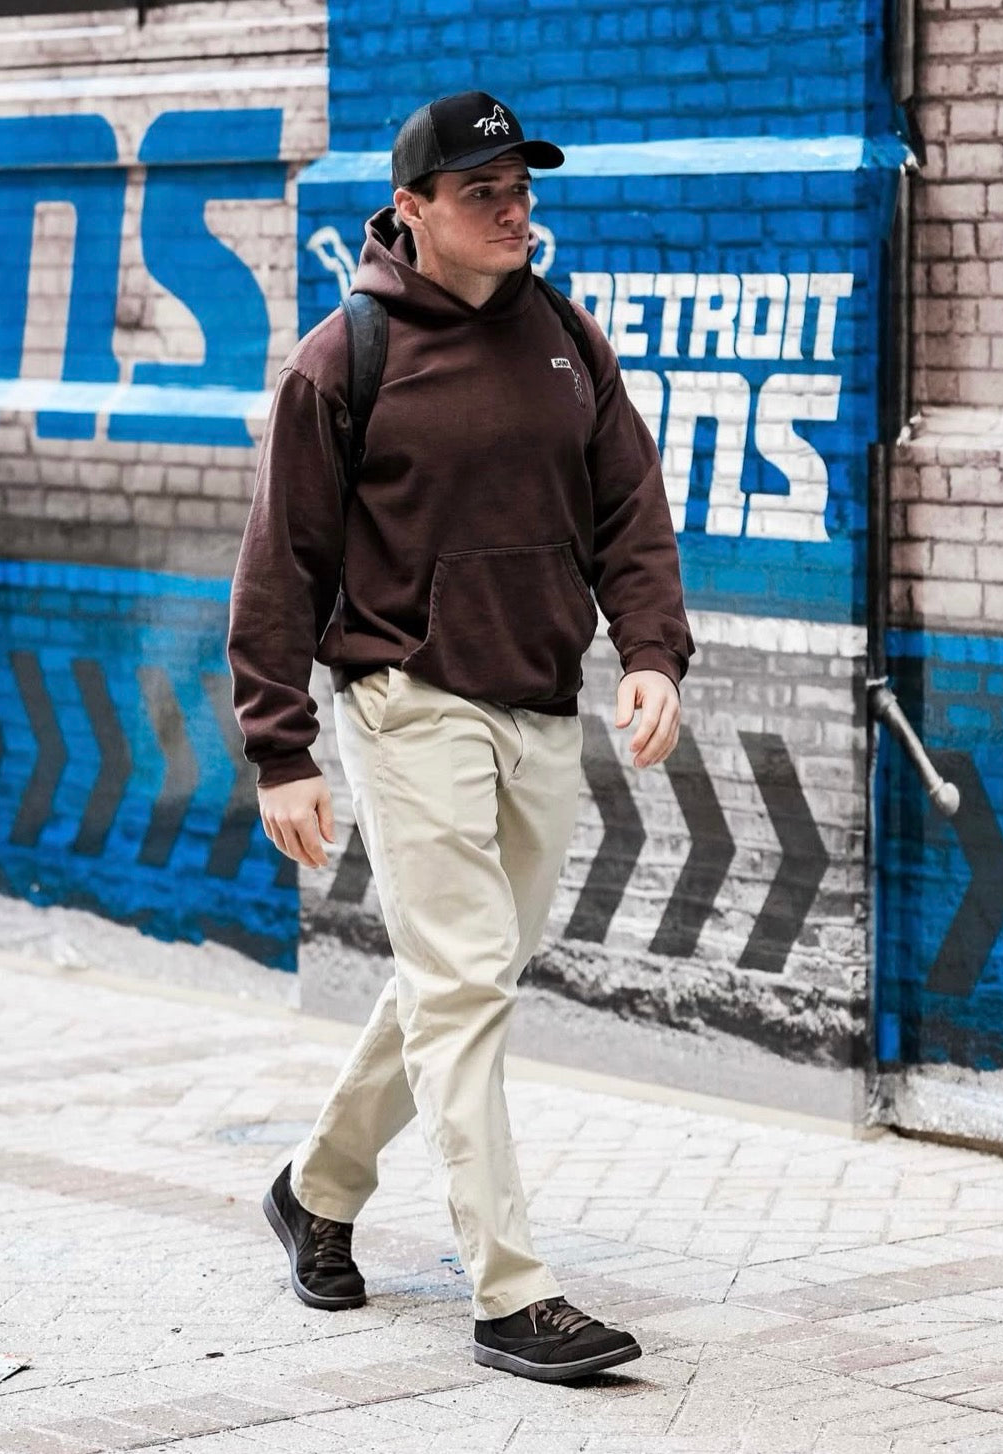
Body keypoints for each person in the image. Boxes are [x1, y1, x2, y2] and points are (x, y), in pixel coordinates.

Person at [228, 90, 694, 1383]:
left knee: (457, 977)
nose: (512, 207)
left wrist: (651, 654)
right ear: (413, 208)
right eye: (483, 189)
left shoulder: (563, 336)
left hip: (540, 703)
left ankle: (317, 1189)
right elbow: (280, 563)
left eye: (522, 185)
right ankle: (512, 1289)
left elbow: (629, 514)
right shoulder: (348, 354)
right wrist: (282, 748)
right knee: (469, 977)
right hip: (409, 698)